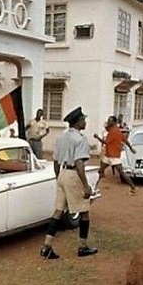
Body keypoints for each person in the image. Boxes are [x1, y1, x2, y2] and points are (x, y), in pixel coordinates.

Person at [39, 107, 98, 260]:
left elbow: (56, 160)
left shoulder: (61, 138)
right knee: (84, 212)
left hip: (62, 173)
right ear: (78, 122)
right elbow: (79, 162)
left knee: (58, 211)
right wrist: (85, 185)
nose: (85, 122)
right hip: (73, 174)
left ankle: (47, 246)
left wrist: (59, 177)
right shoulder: (80, 139)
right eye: (83, 120)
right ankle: (83, 246)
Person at [93, 116, 138, 193]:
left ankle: (133, 187)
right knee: (101, 170)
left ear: (114, 122)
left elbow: (106, 142)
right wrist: (131, 148)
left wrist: (97, 137)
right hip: (109, 155)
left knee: (121, 172)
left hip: (113, 155)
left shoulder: (113, 131)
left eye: (110, 121)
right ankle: (94, 187)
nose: (108, 122)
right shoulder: (116, 130)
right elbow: (125, 140)